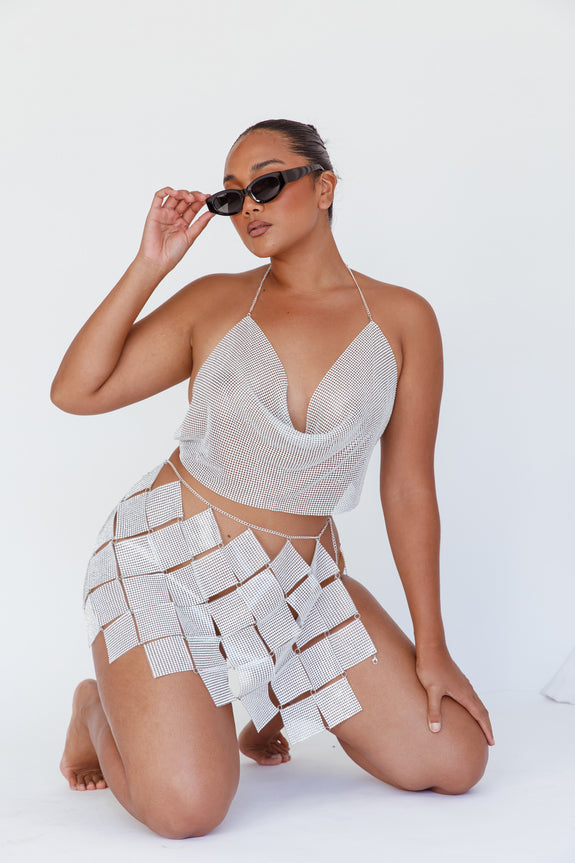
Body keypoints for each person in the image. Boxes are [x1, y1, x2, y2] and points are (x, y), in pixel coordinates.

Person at [52, 119, 494, 839]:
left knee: (455, 759)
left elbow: (409, 489)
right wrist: (150, 265)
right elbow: (76, 391)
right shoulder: (214, 302)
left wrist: (433, 647)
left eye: (265, 183)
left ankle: (265, 689)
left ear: (324, 187)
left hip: (296, 582)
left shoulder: (404, 318)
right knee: (188, 809)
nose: (248, 207)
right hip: (163, 566)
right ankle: (95, 709)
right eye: (231, 197)